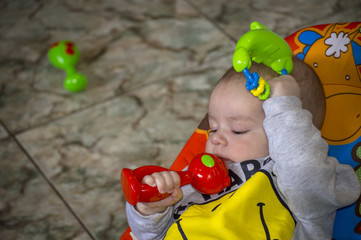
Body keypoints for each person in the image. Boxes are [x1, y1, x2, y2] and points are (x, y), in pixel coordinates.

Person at [126, 56, 360, 239]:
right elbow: (150, 235)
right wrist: (151, 209)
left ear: (288, 129)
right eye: (214, 128)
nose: (216, 139)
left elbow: (301, 167)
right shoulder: (193, 180)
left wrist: (284, 107)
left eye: (238, 130)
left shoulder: (303, 182)